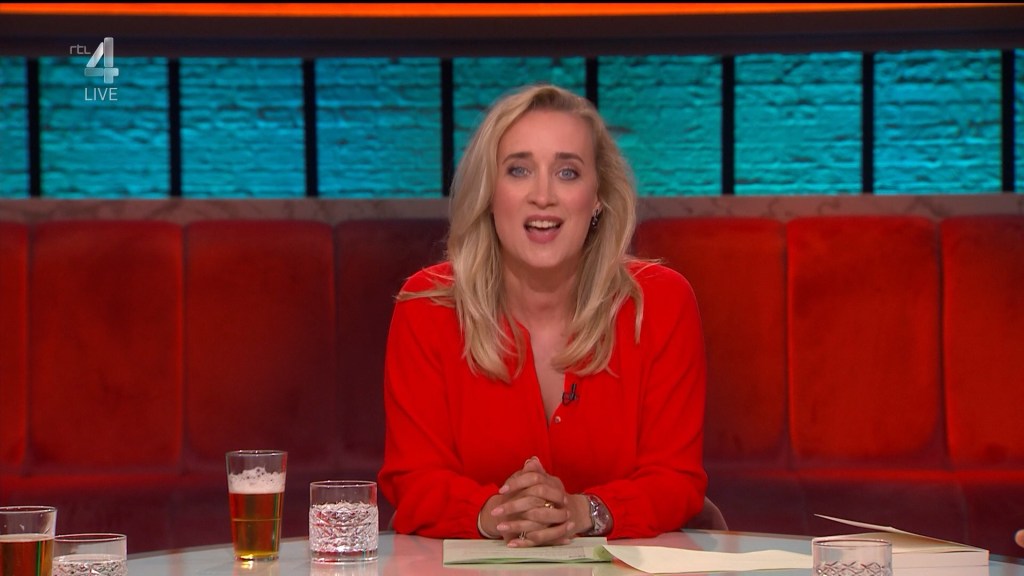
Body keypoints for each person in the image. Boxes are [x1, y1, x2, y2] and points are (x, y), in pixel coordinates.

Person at [377, 83, 708, 547]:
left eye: (567, 172)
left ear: (597, 196)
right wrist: (496, 514)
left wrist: (583, 511)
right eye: (519, 170)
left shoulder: (660, 303)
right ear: (489, 193)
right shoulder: (428, 306)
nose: (543, 195)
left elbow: (676, 479)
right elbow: (413, 479)